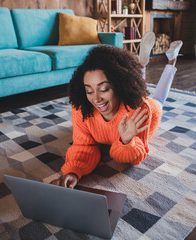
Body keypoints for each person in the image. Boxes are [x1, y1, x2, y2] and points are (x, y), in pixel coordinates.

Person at [51, 35, 183, 188]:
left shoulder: (140, 110)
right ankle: (141, 65)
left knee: (158, 99)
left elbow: (135, 157)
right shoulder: (81, 107)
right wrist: (73, 171)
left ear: (118, 86)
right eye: (89, 91)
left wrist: (127, 141)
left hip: (150, 111)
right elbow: (83, 145)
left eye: (104, 89)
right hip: (129, 95)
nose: (96, 99)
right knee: (136, 85)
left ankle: (171, 60)